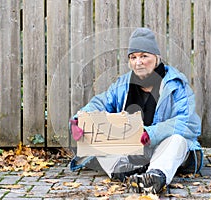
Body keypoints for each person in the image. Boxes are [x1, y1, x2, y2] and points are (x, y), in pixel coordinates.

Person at [69, 27, 203, 194]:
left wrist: (151, 133)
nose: (138, 62)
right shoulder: (122, 85)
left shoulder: (175, 86)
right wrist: (79, 119)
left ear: (157, 58)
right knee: (97, 139)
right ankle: (126, 173)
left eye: (144, 56)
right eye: (133, 57)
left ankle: (155, 176)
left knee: (178, 140)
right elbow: (100, 103)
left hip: (163, 150)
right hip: (132, 151)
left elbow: (189, 124)